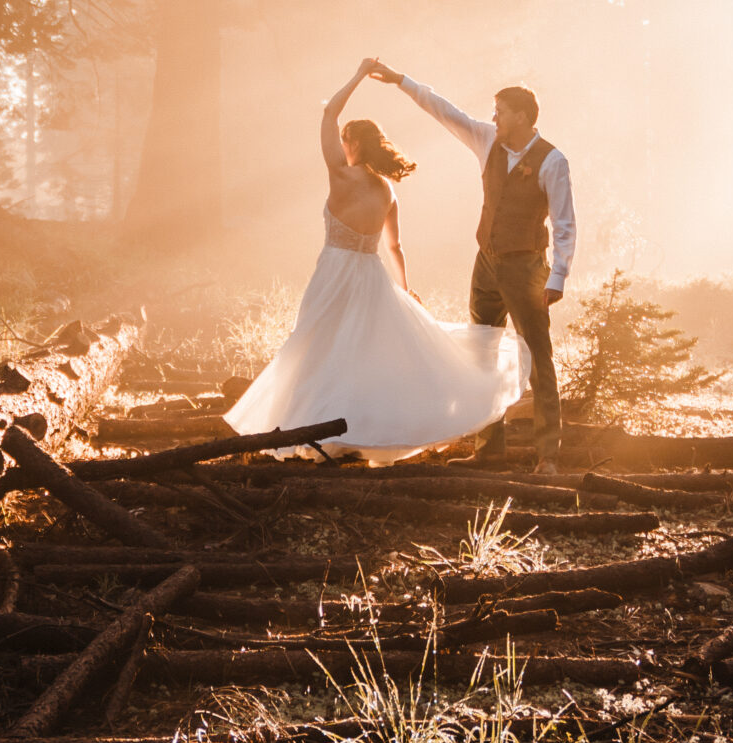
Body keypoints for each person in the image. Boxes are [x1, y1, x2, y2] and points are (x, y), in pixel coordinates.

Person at [222, 57, 529, 460]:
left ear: (352, 143)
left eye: (346, 140)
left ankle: (320, 433)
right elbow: (395, 247)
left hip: (333, 272)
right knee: (365, 354)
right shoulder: (387, 191)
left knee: (315, 348)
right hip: (371, 276)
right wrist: (405, 289)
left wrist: (356, 76)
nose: (342, 146)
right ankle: (348, 433)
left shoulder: (340, 176)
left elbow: (329, 112)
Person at [368, 61, 574, 465]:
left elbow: (566, 224)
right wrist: (400, 81)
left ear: (521, 116)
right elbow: (444, 110)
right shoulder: (485, 140)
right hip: (487, 264)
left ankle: (548, 456)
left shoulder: (553, 162)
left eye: (499, 110)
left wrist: (559, 276)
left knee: (538, 358)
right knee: (482, 352)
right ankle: (488, 450)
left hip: (527, 268)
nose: (492, 116)